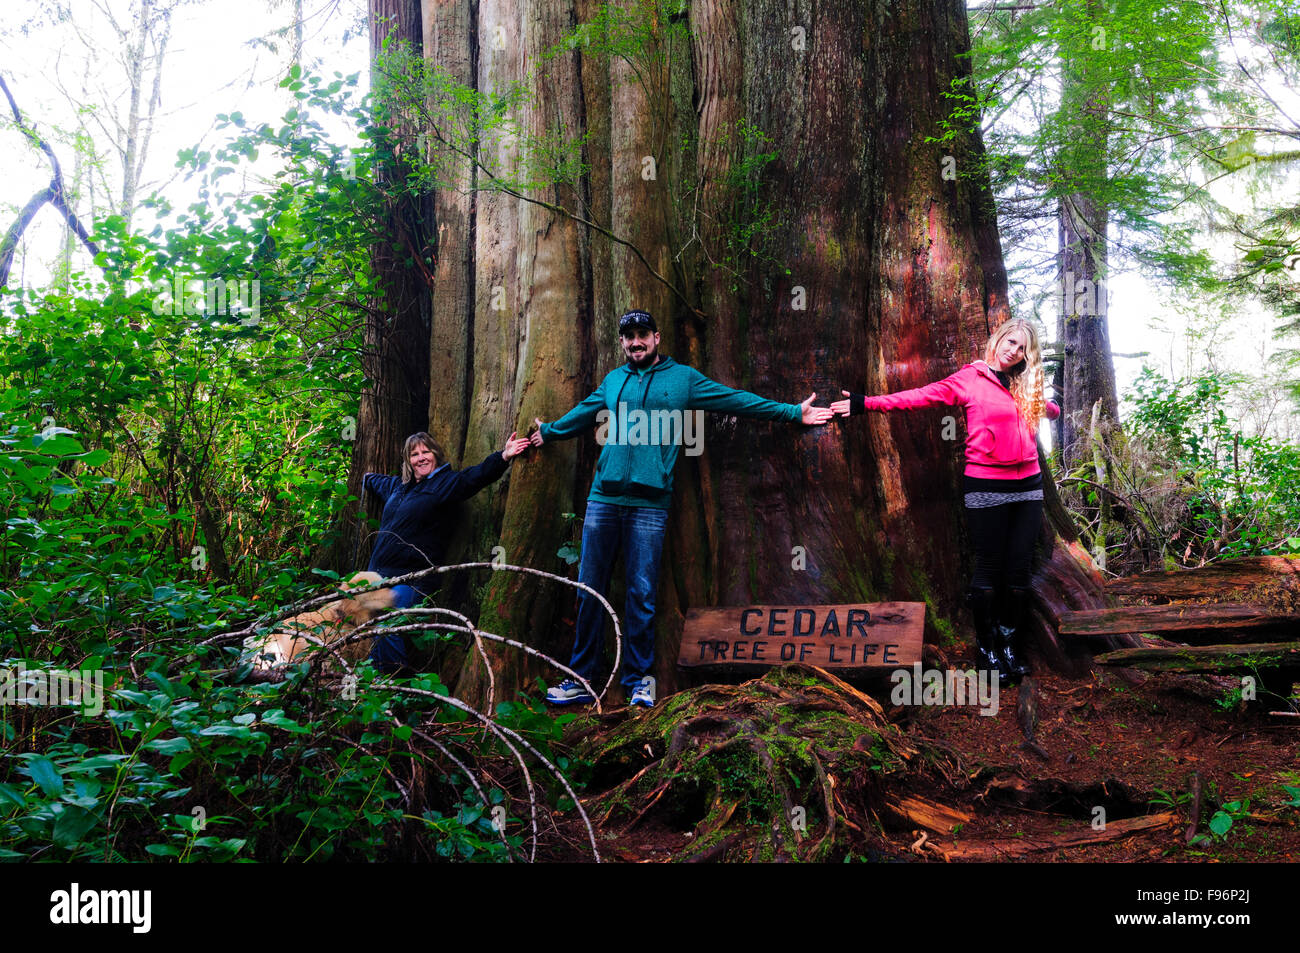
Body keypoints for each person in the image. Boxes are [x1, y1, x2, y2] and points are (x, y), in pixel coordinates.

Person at [530, 308, 834, 708]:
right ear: (621, 342)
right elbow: (584, 414)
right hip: (603, 500)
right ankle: (580, 679)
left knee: (641, 593)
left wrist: (792, 412)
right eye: (628, 336)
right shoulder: (613, 380)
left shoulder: (683, 379)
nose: (635, 342)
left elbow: (735, 400)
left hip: (650, 505)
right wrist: (547, 432)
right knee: (589, 590)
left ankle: (639, 679)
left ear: (657, 338)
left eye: (642, 334)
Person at [831, 319, 1060, 685]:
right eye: (1010, 342)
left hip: (1029, 487)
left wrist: (1048, 407)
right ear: (998, 340)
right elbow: (918, 397)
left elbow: (1044, 412)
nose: (1013, 351)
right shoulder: (970, 379)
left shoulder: (1022, 384)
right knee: (989, 567)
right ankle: (986, 649)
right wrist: (865, 404)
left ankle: (1009, 644)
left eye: (1021, 349)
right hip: (987, 484)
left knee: (1018, 571)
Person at [361, 430, 530, 672]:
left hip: (413, 580)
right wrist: (365, 478)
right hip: (378, 577)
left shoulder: (444, 484)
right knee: (357, 616)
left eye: (425, 452)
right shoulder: (398, 488)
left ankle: (397, 690)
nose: (420, 458)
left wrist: (503, 456)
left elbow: (473, 478)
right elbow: (378, 482)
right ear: (408, 460)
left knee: (388, 621)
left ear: (435, 455)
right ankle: (375, 685)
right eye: (414, 454)